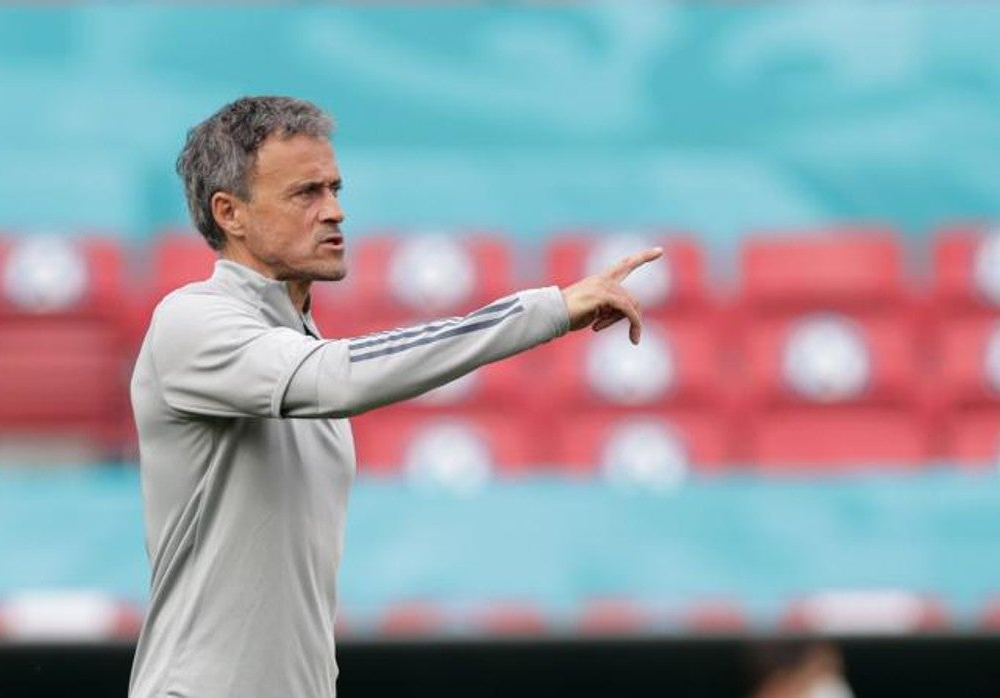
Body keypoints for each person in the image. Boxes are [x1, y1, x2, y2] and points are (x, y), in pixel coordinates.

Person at [127, 95, 662, 698]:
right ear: (231, 213)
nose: (335, 212)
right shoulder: (193, 322)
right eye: (306, 193)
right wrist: (546, 310)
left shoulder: (296, 343)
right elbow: (338, 377)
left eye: (335, 189)